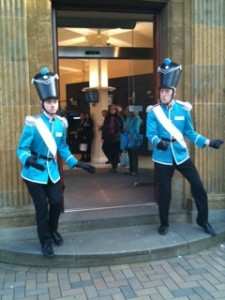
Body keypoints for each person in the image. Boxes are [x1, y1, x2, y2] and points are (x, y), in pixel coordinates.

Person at [17, 67, 95, 258]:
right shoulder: (33, 123)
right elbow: (21, 149)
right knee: (42, 207)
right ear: (43, 103)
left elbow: (62, 147)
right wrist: (29, 159)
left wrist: (77, 163)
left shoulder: (61, 123)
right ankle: (45, 241)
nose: (52, 105)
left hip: (52, 170)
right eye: (49, 102)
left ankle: (52, 230)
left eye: (54, 102)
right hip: (34, 174)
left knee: (57, 201)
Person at [146, 58, 224, 236]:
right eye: (161, 92)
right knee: (165, 193)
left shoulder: (183, 110)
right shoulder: (154, 112)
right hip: (162, 157)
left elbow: (189, 132)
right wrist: (158, 142)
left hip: (181, 154)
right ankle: (164, 222)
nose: (163, 94)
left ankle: (203, 220)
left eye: (166, 91)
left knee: (198, 187)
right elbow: (150, 134)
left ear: (173, 92)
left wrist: (208, 142)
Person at [102, 104, 124, 173]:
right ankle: (113, 163)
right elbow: (105, 127)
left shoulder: (119, 117)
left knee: (115, 152)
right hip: (108, 137)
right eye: (111, 109)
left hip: (116, 137)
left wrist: (119, 132)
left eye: (114, 109)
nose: (112, 111)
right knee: (107, 149)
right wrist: (103, 137)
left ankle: (114, 166)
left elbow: (122, 125)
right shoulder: (107, 117)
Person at [123, 106, 142, 175]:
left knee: (134, 155)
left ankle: (134, 170)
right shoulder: (128, 118)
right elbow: (125, 126)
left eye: (128, 110)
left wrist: (130, 132)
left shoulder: (137, 118)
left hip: (134, 138)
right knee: (130, 154)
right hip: (128, 138)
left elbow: (136, 129)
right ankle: (131, 169)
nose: (126, 112)